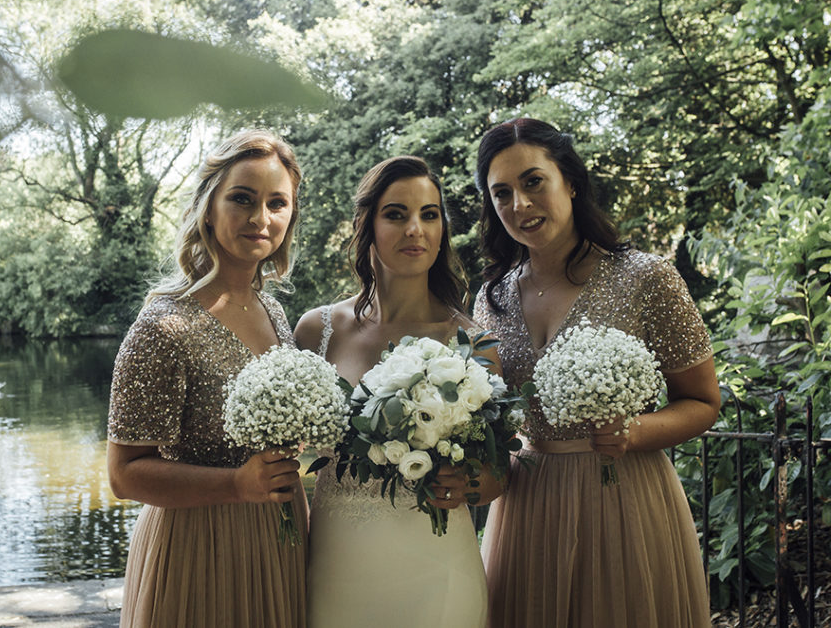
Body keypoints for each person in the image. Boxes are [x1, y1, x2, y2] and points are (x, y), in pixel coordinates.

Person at [472, 117, 720, 627]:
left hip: (624, 501)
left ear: (571, 181)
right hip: (528, 508)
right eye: (501, 193)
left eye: (533, 181)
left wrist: (636, 430)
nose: (519, 204)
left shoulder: (647, 278)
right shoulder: (490, 299)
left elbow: (703, 402)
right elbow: (491, 417)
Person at [106, 130, 307, 628]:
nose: (261, 218)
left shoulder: (275, 313)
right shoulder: (164, 325)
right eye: (242, 199)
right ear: (209, 207)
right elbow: (123, 475)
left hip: (278, 541)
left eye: (276, 203)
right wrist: (238, 484)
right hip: (198, 549)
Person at [296, 155, 500, 628]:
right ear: (367, 224)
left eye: (430, 214)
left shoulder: (475, 343)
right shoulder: (316, 331)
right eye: (397, 214)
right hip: (336, 565)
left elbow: (496, 475)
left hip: (436, 564)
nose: (415, 229)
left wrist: (468, 484)